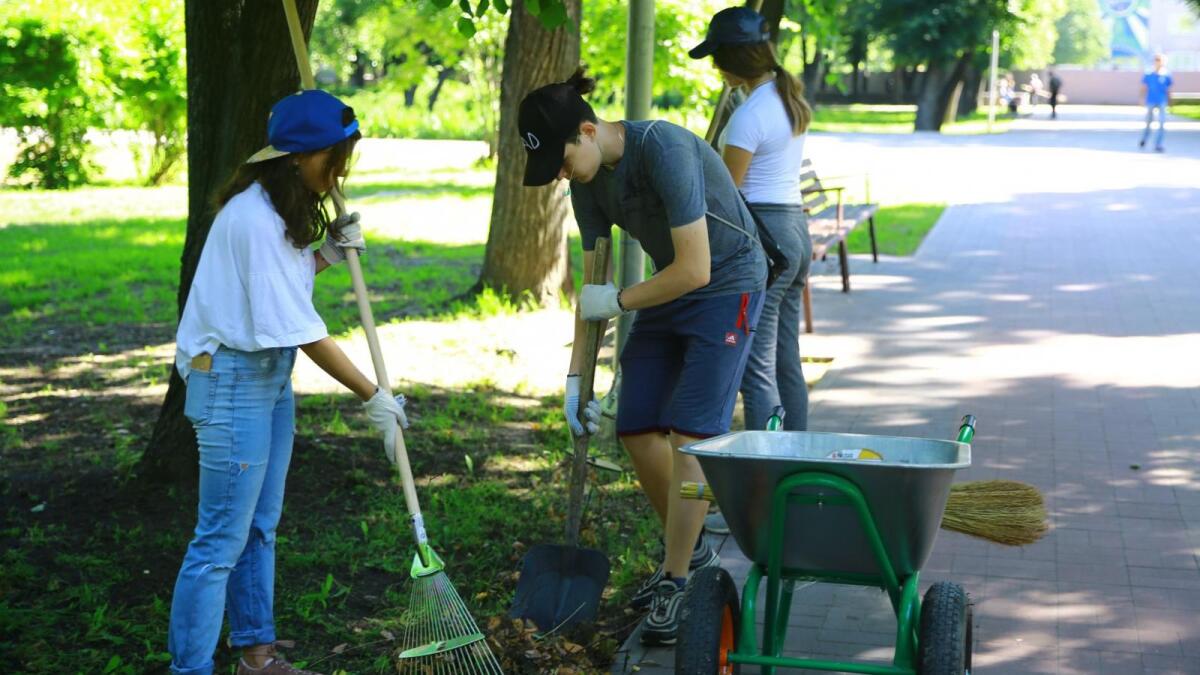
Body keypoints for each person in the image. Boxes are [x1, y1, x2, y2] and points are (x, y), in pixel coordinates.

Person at [518, 69, 767, 645]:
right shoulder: (586, 183)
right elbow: (594, 287)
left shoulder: (665, 149)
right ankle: (695, 549)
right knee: (634, 427)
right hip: (668, 288)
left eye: (559, 161)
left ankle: (677, 580)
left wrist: (622, 300)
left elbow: (697, 268)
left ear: (587, 130)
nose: (558, 176)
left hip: (727, 283)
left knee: (691, 437)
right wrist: (576, 378)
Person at [169, 90, 409, 675]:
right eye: (337, 157)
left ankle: (258, 657)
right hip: (229, 380)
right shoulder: (251, 218)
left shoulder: (275, 210)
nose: (342, 171)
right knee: (219, 541)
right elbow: (300, 328)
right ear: (302, 156)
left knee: (258, 526)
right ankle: (190, 669)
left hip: (266, 376)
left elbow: (279, 287)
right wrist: (372, 396)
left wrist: (324, 254)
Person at [689, 7, 813, 537]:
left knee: (754, 369)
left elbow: (726, 194)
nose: (714, 68)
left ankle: (765, 501)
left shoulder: (747, 117)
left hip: (763, 240)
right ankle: (799, 479)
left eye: (717, 58)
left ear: (732, 59)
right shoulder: (782, 98)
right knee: (786, 362)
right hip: (794, 231)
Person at [1140, 53, 1173, 152]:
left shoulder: (1166, 75)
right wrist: (1141, 98)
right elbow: (1144, 87)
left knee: (1162, 123)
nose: (1158, 62)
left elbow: (1169, 89)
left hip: (1162, 101)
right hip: (1151, 100)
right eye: (1156, 60)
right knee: (1149, 122)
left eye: (1160, 60)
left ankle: (1158, 144)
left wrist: (1170, 102)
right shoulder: (1149, 73)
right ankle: (1144, 139)